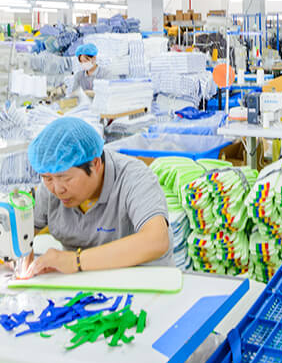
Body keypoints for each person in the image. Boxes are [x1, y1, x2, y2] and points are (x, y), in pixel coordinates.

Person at [15, 117, 173, 278]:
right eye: (47, 178)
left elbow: (157, 240)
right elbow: (23, 231)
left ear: (95, 164)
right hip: (83, 283)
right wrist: (17, 252)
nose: (57, 189)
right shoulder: (51, 186)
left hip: (142, 279)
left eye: (66, 178)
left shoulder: (134, 177)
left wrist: (75, 261)